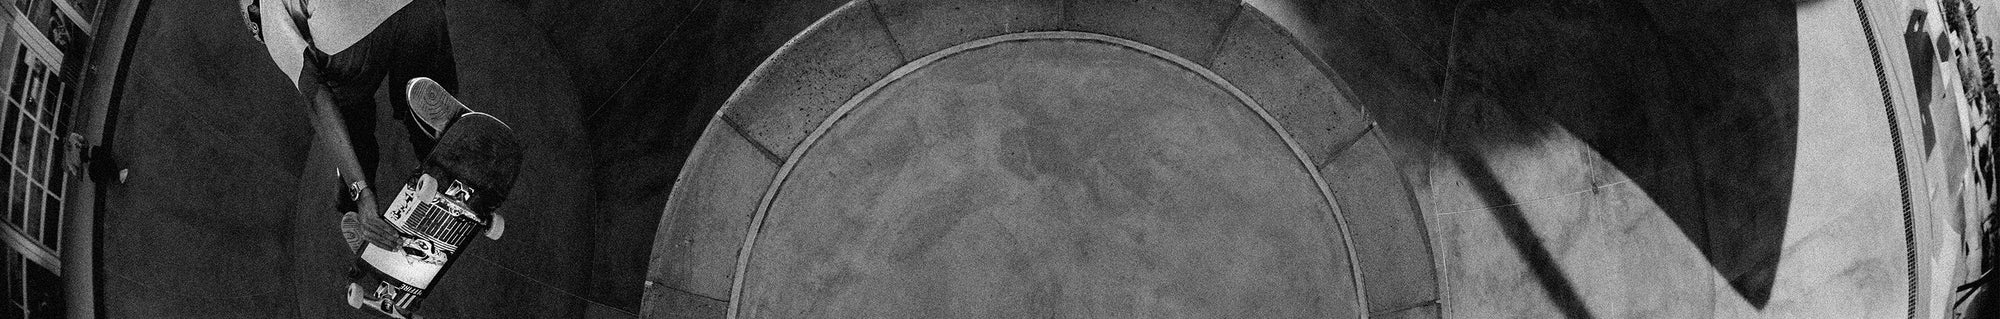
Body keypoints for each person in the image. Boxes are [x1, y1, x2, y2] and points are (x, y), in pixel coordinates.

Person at [238, 0, 464, 252]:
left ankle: (354, 203)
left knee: (342, 104)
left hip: (348, 34)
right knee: (421, 78)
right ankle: (439, 138)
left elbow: (316, 97)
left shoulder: (266, 12)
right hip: (418, 6)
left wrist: (362, 191)